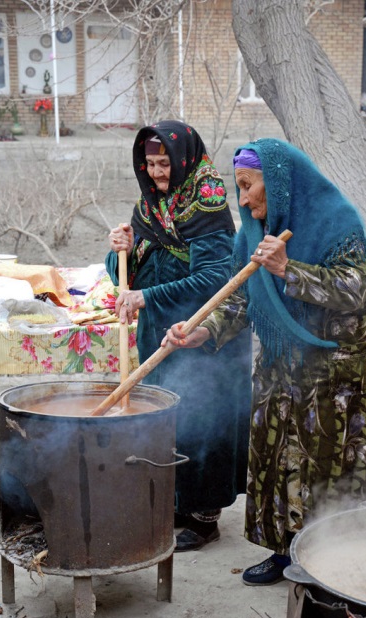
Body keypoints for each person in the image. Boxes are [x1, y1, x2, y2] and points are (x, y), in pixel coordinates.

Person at [162, 138, 366, 582]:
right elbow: (242, 299)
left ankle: (337, 560)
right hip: (280, 369)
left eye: (248, 186)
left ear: (280, 185)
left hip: (337, 376)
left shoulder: (337, 221)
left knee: (329, 462)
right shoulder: (251, 232)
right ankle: (284, 552)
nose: (242, 199)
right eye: (238, 188)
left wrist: (290, 270)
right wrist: (203, 330)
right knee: (279, 457)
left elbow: (357, 292)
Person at [105, 120, 252, 551]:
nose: (156, 173)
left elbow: (214, 280)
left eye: (164, 163)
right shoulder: (150, 207)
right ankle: (177, 502)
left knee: (205, 420)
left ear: (184, 159)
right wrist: (120, 251)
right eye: (149, 164)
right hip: (162, 336)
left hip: (204, 338)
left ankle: (205, 516)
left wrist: (146, 297)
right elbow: (125, 279)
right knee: (171, 420)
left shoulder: (205, 202)